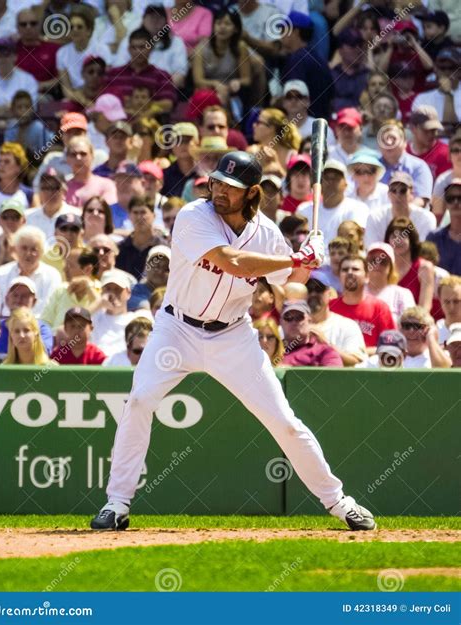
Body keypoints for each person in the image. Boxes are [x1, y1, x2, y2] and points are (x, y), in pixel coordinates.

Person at [90, 150, 376, 532]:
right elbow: (234, 262)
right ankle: (117, 503)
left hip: (232, 335)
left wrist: (308, 261)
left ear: (253, 192)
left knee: (284, 422)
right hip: (176, 329)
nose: (220, 190)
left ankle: (338, 501)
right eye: (217, 182)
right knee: (140, 400)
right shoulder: (194, 216)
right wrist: (295, 259)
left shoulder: (269, 234)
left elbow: (291, 286)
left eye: (232, 187)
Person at [297, 160, 368, 254]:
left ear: (346, 184)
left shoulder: (358, 208)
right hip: (311, 264)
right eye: (326, 178)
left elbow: (357, 244)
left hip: (343, 264)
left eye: (336, 178)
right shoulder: (304, 210)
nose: (330, 182)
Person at [330, 254, 396, 353]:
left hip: (369, 366)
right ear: (339, 276)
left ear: (367, 277)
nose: (350, 273)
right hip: (334, 366)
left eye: (355, 269)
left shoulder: (380, 308)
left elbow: (390, 345)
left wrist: (359, 354)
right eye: (345, 269)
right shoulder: (329, 307)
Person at [0, 225, 62, 317]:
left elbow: (50, 311)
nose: (28, 254)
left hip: (38, 325)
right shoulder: (0, 274)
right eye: (24, 248)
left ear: (42, 252)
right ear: (15, 249)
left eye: (34, 249)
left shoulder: (52, 276)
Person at [103, 27, 177, 114]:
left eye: (142, 47)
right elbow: (103, 101)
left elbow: (168, 104)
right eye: (134, 48)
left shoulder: (162, 76)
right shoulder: (113, 74)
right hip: (115, 123)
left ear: (151, 48)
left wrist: (139, 105)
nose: (138, 52)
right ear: (128, 49)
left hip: (150, 123)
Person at [192, 8, 251, 107]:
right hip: (207, 90)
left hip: (231, 91)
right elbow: (198, 80)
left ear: (236, 29)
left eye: (227, 24)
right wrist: (215, 84)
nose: (222, 27)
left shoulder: (241, 47)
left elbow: (247, 79)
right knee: (205, 96)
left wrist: (238, 82)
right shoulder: (201, 48)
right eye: (218, 23)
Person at [280, 11, 333, 119]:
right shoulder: (318, 58)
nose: (281, 34)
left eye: (284, 29)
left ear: (295, 32)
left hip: (303, 124)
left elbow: (293, 96)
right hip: (322, 122)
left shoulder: (297, 60)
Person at [306, 276, 366, 367]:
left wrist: (325, 345)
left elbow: (356, 361)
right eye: (309, 290)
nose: (313, 294)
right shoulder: (291, 324)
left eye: (319, 289)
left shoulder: (347, 326)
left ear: (330, 294)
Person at [365, 172, 437, 247]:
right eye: (393, 190)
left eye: (403, 191)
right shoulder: (375, 217)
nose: (398, 195)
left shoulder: (426, 218)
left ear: (412, 192)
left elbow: (424, 251)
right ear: (388, 193)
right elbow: (372, 249)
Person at [57, 4, 111, 103]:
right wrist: (83, 101)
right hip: (75, 98)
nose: (75, 30)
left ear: (89, 31)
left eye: (79, 27)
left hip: (99, 96)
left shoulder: (102, 50)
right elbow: (66, 90)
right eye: (71, 27)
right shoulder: (62, 53)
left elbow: (106, 83)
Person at [41, 248, 100, 331]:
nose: (65, 269)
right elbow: (45, 322)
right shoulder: (60, 290)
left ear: (87, 269)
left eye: (70, 265)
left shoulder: (101, 290)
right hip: (56, 341)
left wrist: (88, 286)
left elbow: (101, 312)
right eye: (65, 265)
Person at [378, 120, 433, 207]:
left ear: (404, 142)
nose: (388, 143)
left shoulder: (419, 167)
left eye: (393, 139)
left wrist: (398, 214)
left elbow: (421, 200)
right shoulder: (372, 168)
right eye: (384, 139)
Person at [386, 217, 435, 312]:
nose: (398, 241)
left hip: (413, 323)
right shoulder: (383, 267)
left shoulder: (424, 268)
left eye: (402, 236)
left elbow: (425, 307)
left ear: (411, 240)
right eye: (394, 236)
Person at [91, 270, 144, 357]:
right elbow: (67, 330)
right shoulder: (94, 317)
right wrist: (99, 304)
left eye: (117, 289)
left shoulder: (136, 319)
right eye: (108, 289)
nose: (112, 293)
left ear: (128, 293)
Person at [0, 276, 53, 355]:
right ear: (6, 299)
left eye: (25, 296)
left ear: (34, 301)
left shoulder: (42, 328)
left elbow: (42, 354)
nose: (19, 299)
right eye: (15, 295)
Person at [115, 196, 168, 281]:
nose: (139, 217)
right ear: (129, 216)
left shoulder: (164, 248)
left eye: (143, 212)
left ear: (153, 216)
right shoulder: (119, 249)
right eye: (135, 213)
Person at [280, 300, 343, 367]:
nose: (294, 322)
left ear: (310, 321)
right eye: (288, 318)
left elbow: (334, 375)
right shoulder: (273, 349)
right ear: (281, 322)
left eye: (299, 317)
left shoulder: (324, 351)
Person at [411, 47, 460, 133]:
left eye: (451, 68)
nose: (446, 72)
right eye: (442, 68)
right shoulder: (422, 98)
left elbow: (451, 129)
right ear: (436, 70)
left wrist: (448, 94)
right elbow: (420, 131)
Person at [0, 37, 38, 117]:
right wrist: (6, 108)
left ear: (15, 56)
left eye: (6, 54)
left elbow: (29, 110)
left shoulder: (27, 79)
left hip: (19, 126)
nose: (2, 59)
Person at [366, 242, 416, 320]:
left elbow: (410, 325)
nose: (377, 265)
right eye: (373, 260)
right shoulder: (357, 290)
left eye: (383, 261)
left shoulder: (403, 294)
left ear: (391, 267)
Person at [26, 169, 79, 240]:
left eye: (55, 188)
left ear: (64, 191)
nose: (50, 193)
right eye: (46, 188)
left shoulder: (77, 216)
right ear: (39, 192)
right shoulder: (27, 217)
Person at [65, 137, 117, 208]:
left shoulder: (106, 185)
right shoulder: (63, 188)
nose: (78, 158)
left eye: (83, 154)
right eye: (73, 154)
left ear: (92, 156)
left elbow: (106, 213)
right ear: (67, 159)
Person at [281, 79, 336, 144]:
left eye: (299, 96)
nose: (293, 101)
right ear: (283, 102)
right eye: (289, 97)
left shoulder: (321, 129)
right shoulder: (275, 128)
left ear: (307, 101)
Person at [0, 142, 32, 217]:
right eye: (0, 161)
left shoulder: (29, 195)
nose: (1, 165)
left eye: (7, 162)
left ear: (19, 167)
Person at [406, 106, 451, 181]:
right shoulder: (403, 152)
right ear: (413, 128)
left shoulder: (445, 154)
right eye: (426, 130)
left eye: (434, 130)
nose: (431, 135)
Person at [427, 179, 461, 276]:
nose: (456, 202)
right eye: (450, 198)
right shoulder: (433, 237)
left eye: (460, 198)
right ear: (445, 202)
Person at [331, 29, 369, 111]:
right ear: (340, 50)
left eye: (360, 45)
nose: (358, 50)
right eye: (352, 45)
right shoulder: (330, 76)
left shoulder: (369, 76)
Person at [0, 199, 25, 272]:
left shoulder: (30, 243)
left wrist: (12, 255)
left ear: (23, 220)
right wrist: (1, 256)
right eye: (5, 217)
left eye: (15, 217)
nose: (10, 221)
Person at [161, 122, 198, 198]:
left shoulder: (205, 173)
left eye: (187, 140)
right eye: (178, 141)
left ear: (197, 143)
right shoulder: (164, 176)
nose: (182, 144)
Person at [128, 245, 170, 312]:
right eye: (156, 266)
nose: (160, 271)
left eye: (166, 269)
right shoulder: (131, 292)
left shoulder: (173, 298)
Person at [431, 132, 461, 222]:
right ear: (449, 155)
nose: (460, 154)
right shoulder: (442, 180)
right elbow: (438, 215)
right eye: (456, 150)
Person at [436, 275, 461, 344]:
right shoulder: (433, 331)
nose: (451, 307)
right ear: (440, 299)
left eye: (456, 301)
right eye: (446, 302)